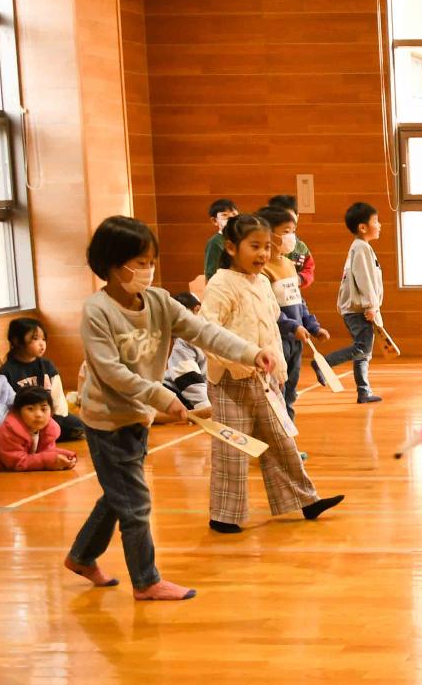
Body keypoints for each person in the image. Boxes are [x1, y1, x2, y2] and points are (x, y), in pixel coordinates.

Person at [65, 215, 274, 601]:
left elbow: (204, 332)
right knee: (135, 502)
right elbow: (111, 372)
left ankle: (81, 557)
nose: (147, 270)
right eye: (139, 262)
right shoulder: (97, 311)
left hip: (138, 416)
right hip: (106, 421)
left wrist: (250, 352)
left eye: (151, 261)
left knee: (118, 494)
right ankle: (145, 581)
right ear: (112, 264)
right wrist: (164, 398)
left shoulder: (159, 302)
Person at [200, 212, 343, 535]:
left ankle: (305, 500)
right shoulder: (220, 284)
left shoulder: (263, 282)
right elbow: (207, 332)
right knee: (233, 448)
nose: (263, 254)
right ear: (231, 247)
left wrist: (279, 364)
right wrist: (238, 362)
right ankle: (223, 516)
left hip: (264, 379)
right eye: (255, 246)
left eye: (267, 246)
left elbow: (272, 325)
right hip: (229, 380)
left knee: (281, 439)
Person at [261, 206, 331, 412]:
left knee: (290, 394)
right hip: (277, 340)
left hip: (296, 341)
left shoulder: (289, 265)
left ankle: (289, 433)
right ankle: (278, 432)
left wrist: (313, 326)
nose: (292, 237)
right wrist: (292, 326)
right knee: (278, 393)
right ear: (268, 234)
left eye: (293, 231)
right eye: (286, 231)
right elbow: (269, 308)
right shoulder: (263, 269)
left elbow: (298, 300)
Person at [324, 201, 384, 404]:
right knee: (362, 349)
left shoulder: (360, 247)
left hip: (357, 308)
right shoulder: (361, 248)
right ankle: (326, 363)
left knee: (363, 353)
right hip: (359, 310)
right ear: (363, 227)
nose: (379, 225)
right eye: (376, 221)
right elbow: (364, 279)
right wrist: (371, 306)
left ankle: (363, 392)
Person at [0, 386, 77, 473]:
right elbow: (18, 462)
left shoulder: (47, 430)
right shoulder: (10, 432)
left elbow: (44, 453)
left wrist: (66, 456)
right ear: (18, 412)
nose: (38, 414)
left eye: (44, 409)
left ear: (52, 411)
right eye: (30, 409)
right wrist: (50, 462)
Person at [0, 316, 84, 440]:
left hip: (50, 417)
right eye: (35, 339)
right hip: (24, 420)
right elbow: (7, 407)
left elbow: (58, 399)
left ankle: (44, 435)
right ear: (16, 341)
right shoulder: (6, 372)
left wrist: (57, 418)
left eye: (43, 339)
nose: (42, 344)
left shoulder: (47, 366)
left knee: (78, 425)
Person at [163, 291, 211, 416]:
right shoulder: (183, 340)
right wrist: (204, 406)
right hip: (176, 391)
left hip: (195, 395)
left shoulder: (204, 332)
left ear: (197, 310)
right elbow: (187, 376)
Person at [266, 193, 316, 288]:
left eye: (290, 217)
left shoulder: (300, 247)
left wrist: (299, 279)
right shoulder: (265, 247)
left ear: (297, 216)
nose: (287, 220)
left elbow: (309, 268)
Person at [201, 198, 238, 280]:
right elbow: (211, 273)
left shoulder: (242, 238)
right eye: (225, 215)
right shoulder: (214, 242)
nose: (231, 218)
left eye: (234, 214)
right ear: (214, 221)